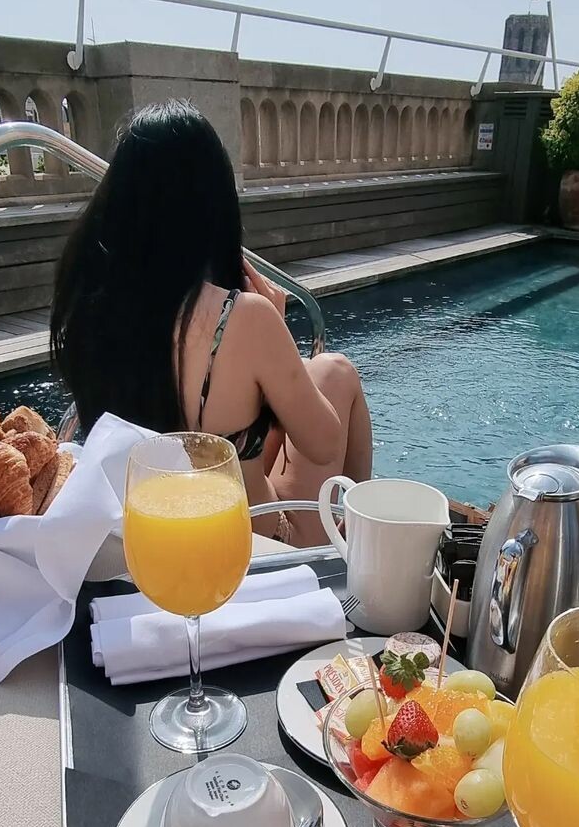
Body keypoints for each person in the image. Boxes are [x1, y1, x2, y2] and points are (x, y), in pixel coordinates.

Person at [50, 98, 372, 546]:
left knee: (304, 383)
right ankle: (354, 550)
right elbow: (323, 444)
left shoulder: (87, 302)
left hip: (144, 526)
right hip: (246, 540)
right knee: (337, 371)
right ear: (213, 206)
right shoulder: (242, 317)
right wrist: (276, 338)